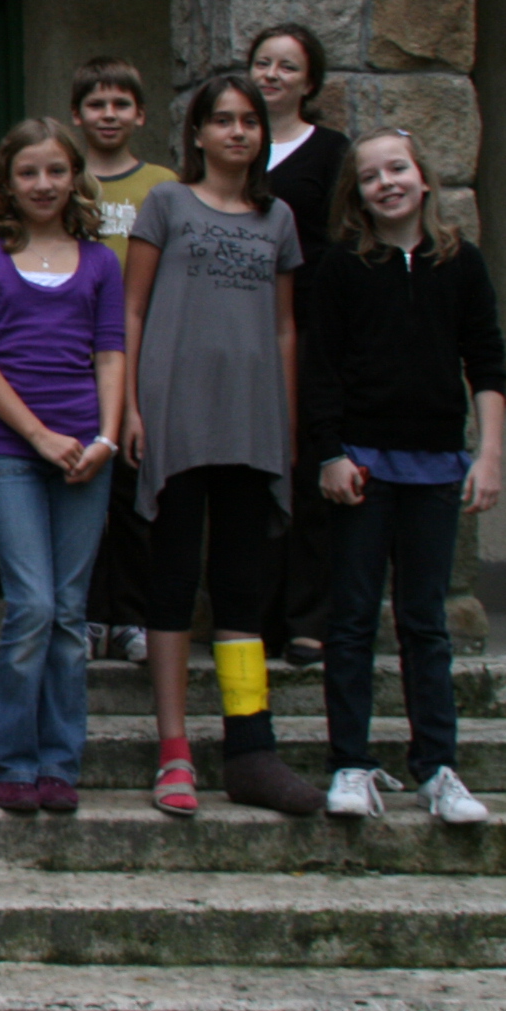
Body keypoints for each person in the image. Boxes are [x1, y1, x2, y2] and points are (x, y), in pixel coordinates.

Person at [123, 73, 320, 818]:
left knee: (243, 586)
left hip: (250, 421)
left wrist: (286, 422)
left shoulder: (279, 218)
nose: (238, 132)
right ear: (198, 133)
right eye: (223, 120)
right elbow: (133, 311)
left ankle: (249, 747)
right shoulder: (166, 203)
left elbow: (284, 328)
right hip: (175, 417)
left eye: (249, 121)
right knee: (174, 582)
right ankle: (174, 748)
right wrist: (132, 406)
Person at [312, 128, 506, 826]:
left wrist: (488, 454)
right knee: (353, 619)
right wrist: (330, 454)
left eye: (398, 169)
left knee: (426, 622)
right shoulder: (341, 268)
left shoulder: (462, 263)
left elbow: (486, 360)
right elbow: (320, 368)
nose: (386, 183)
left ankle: (437, 768)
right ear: (356, 194)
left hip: (435, 467)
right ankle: (350, 763)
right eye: (370, 176)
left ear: (424, 179)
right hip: (362, 464)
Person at [0, 122, 123, 815]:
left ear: (75, 177)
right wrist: (38, 435)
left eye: (56, 170)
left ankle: (59, 762)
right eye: (29, 172)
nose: (44, 184)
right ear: (7, 181)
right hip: (12, 452)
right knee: (32, 607)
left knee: (70, 614)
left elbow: (110, 353)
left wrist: (106, 436)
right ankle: (11, 760)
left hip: (86, 453)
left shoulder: (101, 262)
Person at [249, 21, 350, 668]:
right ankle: (254, 614)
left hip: (310, 326)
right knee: (250, 475)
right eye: (263, 62)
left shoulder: (332, 151)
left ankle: (309, 617)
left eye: (287, 66)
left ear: (310, 81)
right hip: (241, 327)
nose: (273, 75)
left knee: (308, 468)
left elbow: (342, 237)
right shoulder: (235, 143)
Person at [73, 55, 175, 667]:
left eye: (120, 104)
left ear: (140, 114)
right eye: (96, 104)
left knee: (137, 496)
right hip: (74, 358)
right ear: (76, 114)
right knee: (84, 494)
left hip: (144, 356)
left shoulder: (163, 185)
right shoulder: (65, 178)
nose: (108, 114)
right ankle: (88, 613)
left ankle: (132, 615)